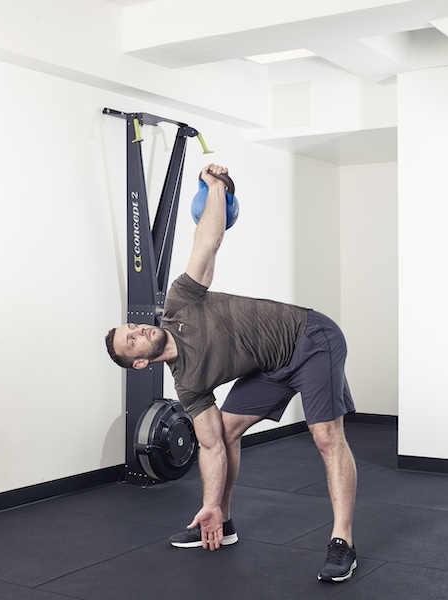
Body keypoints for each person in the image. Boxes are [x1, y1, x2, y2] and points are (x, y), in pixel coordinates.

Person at [105, 164, 358, 583]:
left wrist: (217, 187)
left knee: (326, 436)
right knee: (223, 431)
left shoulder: (180, 301)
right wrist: (207, 502)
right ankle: (220, 522)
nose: (138, 331)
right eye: (131, 340)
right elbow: (209, 446)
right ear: (140, 363)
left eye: (132, 327)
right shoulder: (188, 383)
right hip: (271, 366)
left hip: (311, 338)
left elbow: (209, 239)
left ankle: (343, 542)